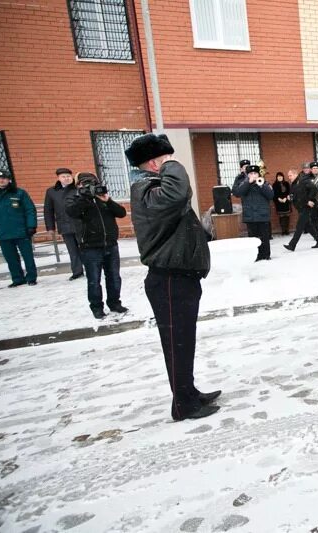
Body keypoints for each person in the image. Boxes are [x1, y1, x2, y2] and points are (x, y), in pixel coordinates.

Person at [126, 133, 221, 421]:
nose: (172, 164)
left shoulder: (153, 187)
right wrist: (172, 164)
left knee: (183, 341)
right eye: (167, 160)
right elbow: (177, 194)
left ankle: (188, 392)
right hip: (168, 279)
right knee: (177, 343)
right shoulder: (146, 188)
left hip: (179, 276)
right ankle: (183, 405)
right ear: (154, 163)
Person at [65, 172, 128, 319]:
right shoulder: (75, 199)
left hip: (110, 245)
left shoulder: (101, 197)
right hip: (90, 247)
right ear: (78, 185)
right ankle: (96, 307)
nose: (89, 186)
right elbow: (72, 212)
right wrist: (85, 197)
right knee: (94, 280)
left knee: (114, 277)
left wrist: (108, 200)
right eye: (85, 183)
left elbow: (121, 213)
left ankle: (114, 303)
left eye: (92, 182)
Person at [0, 169, 38, 287]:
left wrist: (31, 226)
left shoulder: (19, 193)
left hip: (21, 231)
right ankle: (17, 278)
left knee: (28, 256)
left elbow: (30, 210)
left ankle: (31, 277)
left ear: (9, 180)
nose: (1, 180)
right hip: (2, 232)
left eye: (4, 178)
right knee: (11, 258)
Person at [44, 167, 84, 280]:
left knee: (85, 248)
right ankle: (77, 271)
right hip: (64, 225)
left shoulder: (78, 189)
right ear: (58, 178)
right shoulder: (52, 191)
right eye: (63, 176)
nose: (66, 178)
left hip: (80, 224)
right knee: (72, 250)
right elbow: (48, 210)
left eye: (68, 176)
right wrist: (50, 227)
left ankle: (91, 269)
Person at [232, 162, 274, 261]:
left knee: (265, 237)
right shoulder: (243, 183)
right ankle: (256, 255)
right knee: (253, 238)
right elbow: (237, 193)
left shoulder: (264, 183)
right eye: (251, 174)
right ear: (247, 175)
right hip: (250, 215)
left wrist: (262, 185)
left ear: (259, 174)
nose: (254, 175)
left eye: (255, 173)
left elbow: (271, 195)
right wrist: (248, 182)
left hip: (262, 215)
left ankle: (266, 255)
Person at [284, 163, 318, 251]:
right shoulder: (293, 184)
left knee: (299, 226)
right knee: (308, 225)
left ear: (295, 174)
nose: (289, 177)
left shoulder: (303, 181)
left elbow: (314, 189)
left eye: (290, 175)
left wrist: (310, 200)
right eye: (288, 176)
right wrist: (290, 197)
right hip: (300, 208)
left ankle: (292, 245)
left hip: (306, 207)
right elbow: (295, 195)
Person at [273, 171, 293, 235]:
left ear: (283, 177)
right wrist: (278, 198)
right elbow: (274, 194)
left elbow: (289, 192)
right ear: (277, 177)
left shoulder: (286, 183)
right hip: (279, 203)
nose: (280, 178)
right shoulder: (274, 185)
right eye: (278, 176)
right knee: (281, 218)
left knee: (287, 217)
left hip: (286, 202)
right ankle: (283, 230)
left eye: (281, 176)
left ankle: (287, 230)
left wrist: (286, 198)